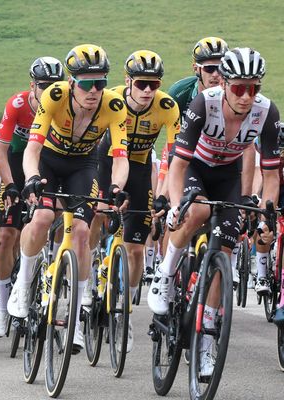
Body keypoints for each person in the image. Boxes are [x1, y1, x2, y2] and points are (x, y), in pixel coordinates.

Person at [148, 48, 280, 376]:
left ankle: (206, 339)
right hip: (195, 167)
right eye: (239, 89)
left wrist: (264, 213)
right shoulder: (203, 104)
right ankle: (165, 275)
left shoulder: (266, 112)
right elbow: (177, 166)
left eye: (254, 89)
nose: (247, 97)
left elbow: (273, 175)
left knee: (226, 248)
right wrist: (177, 205)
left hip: (228, 176)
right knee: (197, 214)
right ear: (225, 85)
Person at [7, 45, 129, 354]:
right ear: (72, 83)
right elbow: (32, 148)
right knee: (44, 218)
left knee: (84, 232)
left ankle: (76, 315)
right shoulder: (55, 97)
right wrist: (32, 177)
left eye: (100, 83)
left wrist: (115, 187)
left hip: (83, 165)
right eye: (86, 83)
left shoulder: (114, 105)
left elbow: (120, 156)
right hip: (48, 159)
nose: (94, 91)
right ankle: (23, 284)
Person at [92, 50, 180, 352]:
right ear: (127, 81)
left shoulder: (167, 106)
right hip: (105, 162)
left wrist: (164, 194)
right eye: (141, 84)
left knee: (135, 249)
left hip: (141, 168)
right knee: (96, 214)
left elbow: (172, 157)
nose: (147, 91)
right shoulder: (111, 98)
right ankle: (88, 269)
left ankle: (124, 315)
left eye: (154, 85)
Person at [0, 56, 64, 338]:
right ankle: (3, 305)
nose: (50, 91)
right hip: (16, 163)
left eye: (56, 85)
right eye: (44, 86)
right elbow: (1, 151)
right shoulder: (17, 104)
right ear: (32, 86)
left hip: (47, 164)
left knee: (55, 215)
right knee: (7, 233)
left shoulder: (65, 104)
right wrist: (8, 185)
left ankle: (50, 279)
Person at [168, 37, 229, 117]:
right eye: (209, 68)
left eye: (220, 68)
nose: (215, 74)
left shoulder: (236, 93)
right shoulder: (179, 93)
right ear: (196, 68)